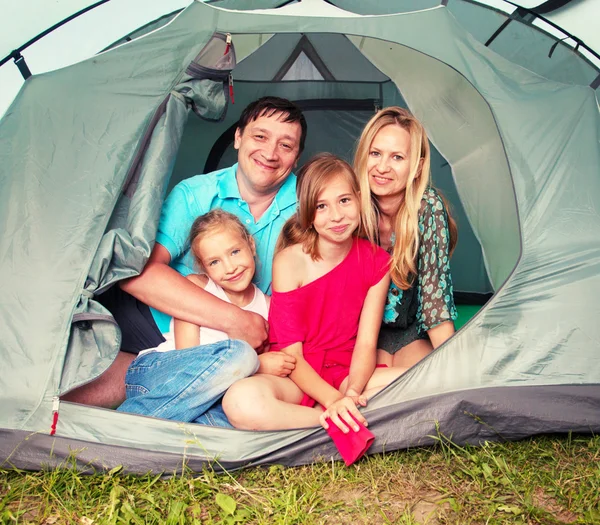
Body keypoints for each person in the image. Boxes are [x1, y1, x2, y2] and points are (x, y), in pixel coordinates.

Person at [63, 97, 307, 408]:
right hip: (162, 326)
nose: (270, 153)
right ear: (238, 138)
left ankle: (157, 390)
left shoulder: (308, 206)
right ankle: (156, 376)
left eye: (286, 145)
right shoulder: (194, 194)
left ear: (296, 157)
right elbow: (136, 275)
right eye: (260, 136)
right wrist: (234, 320)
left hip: (254, 338)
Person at [222, 153, 406, 435]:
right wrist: (333, 401)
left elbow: (366, 343)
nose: (336, 216)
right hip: (299, 374)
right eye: (321, 206)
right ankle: (328, 418)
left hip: (349, 371)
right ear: (308, 212)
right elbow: (291, 353)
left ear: (359, 199)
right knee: (239, 401)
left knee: (421, 379)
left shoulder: (377, 261)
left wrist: (352, 391)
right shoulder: (289, 261)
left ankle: (341, 412)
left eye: (344, 200)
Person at [116, 210, 295, 424]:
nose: (230, 267)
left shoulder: (270, 307)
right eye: (214, 262)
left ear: (251, 245)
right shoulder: (197, 288)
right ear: (205, 268)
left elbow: (278, 367)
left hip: (203, 399)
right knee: (241, 353)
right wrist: (258, 364)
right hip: (157, 374)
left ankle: (153, 429)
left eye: (235, 252)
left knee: (232, 421)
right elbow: (187, 357)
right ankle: (123, 424)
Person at [354, 107, 458, 370]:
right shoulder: (349, 205)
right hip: (356, 334)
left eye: (397, 157)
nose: (382, 167)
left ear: (417, 165)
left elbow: (436, 303)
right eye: (375, 153)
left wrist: (458, 370)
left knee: (422, 386)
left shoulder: (428, 208)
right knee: (371, 395)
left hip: (411, 330)